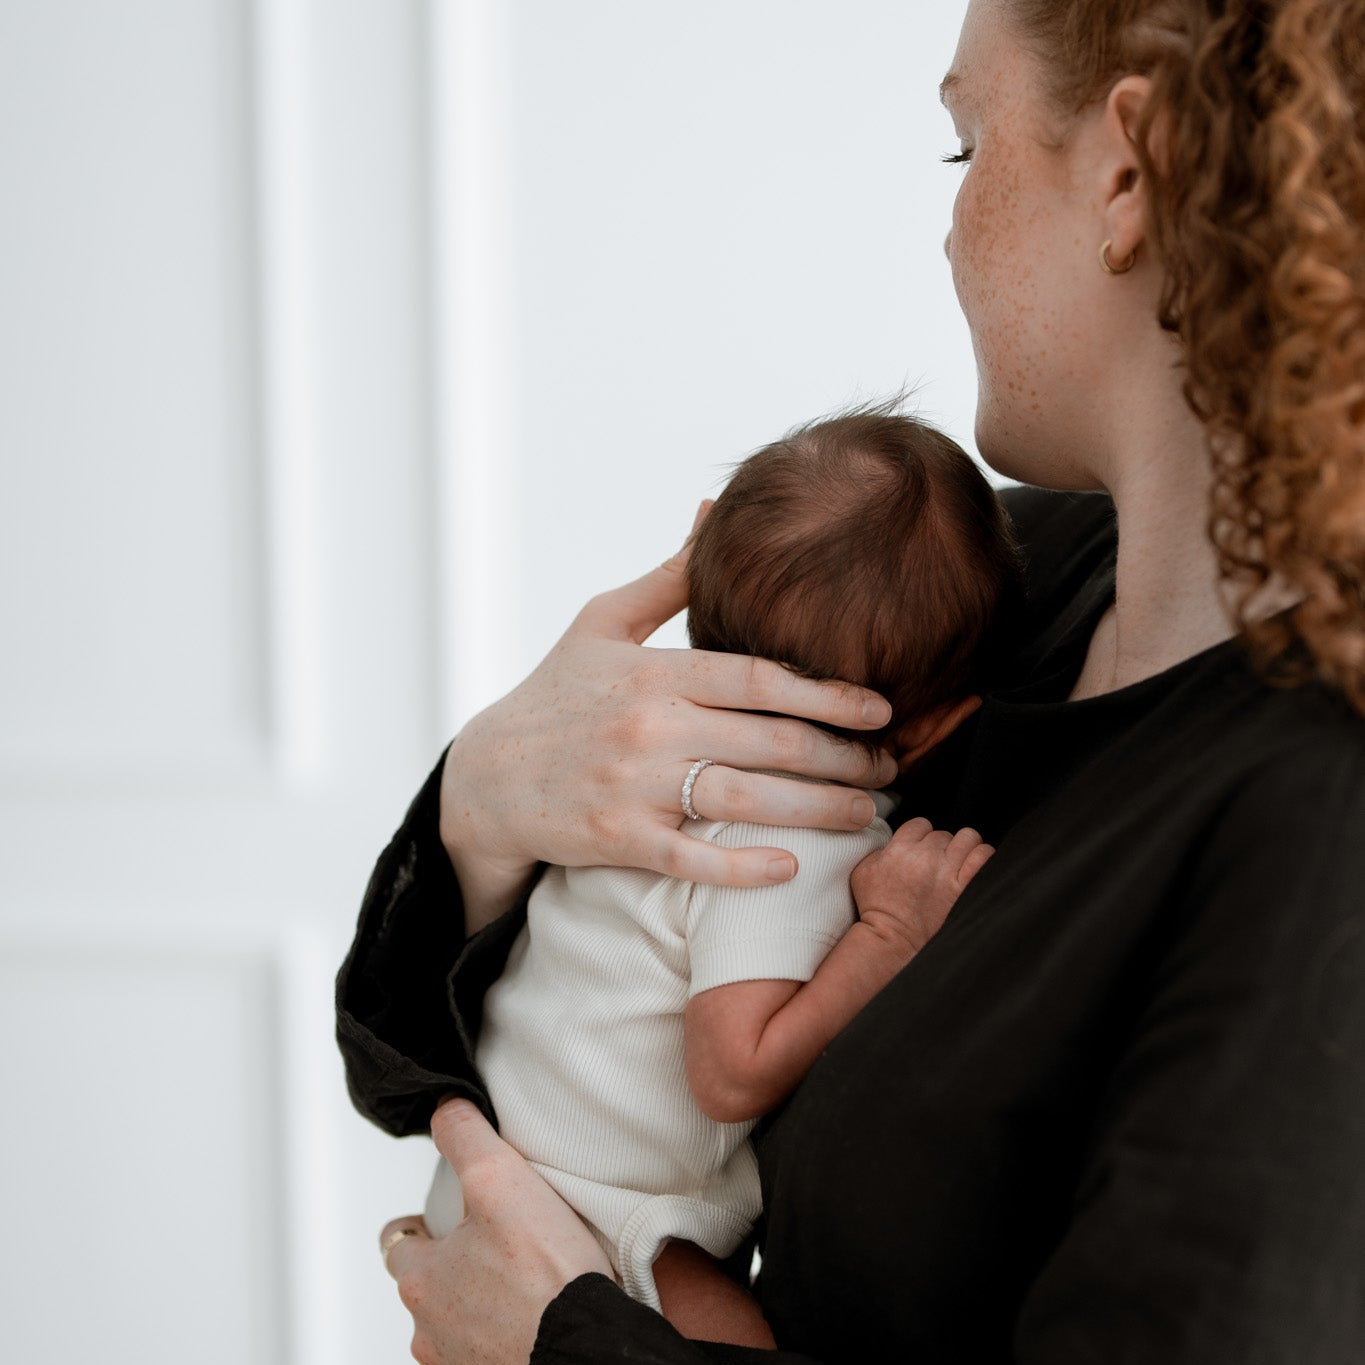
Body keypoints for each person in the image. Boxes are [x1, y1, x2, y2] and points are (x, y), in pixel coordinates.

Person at [336, 0, 1365, 1360]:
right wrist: (492, 797)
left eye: (965, 146)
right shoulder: (1002, 588)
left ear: (1128, 171)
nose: (948, 228)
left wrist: (564, 1340)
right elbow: (404, 1047)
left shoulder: (1321, 825)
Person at [420, 409, 1020, 1346]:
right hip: (586, 1213)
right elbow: (732, 1073)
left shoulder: (637, 756)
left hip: (505, 1156)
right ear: (939, 727)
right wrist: (889, 938)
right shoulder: (794, 834)